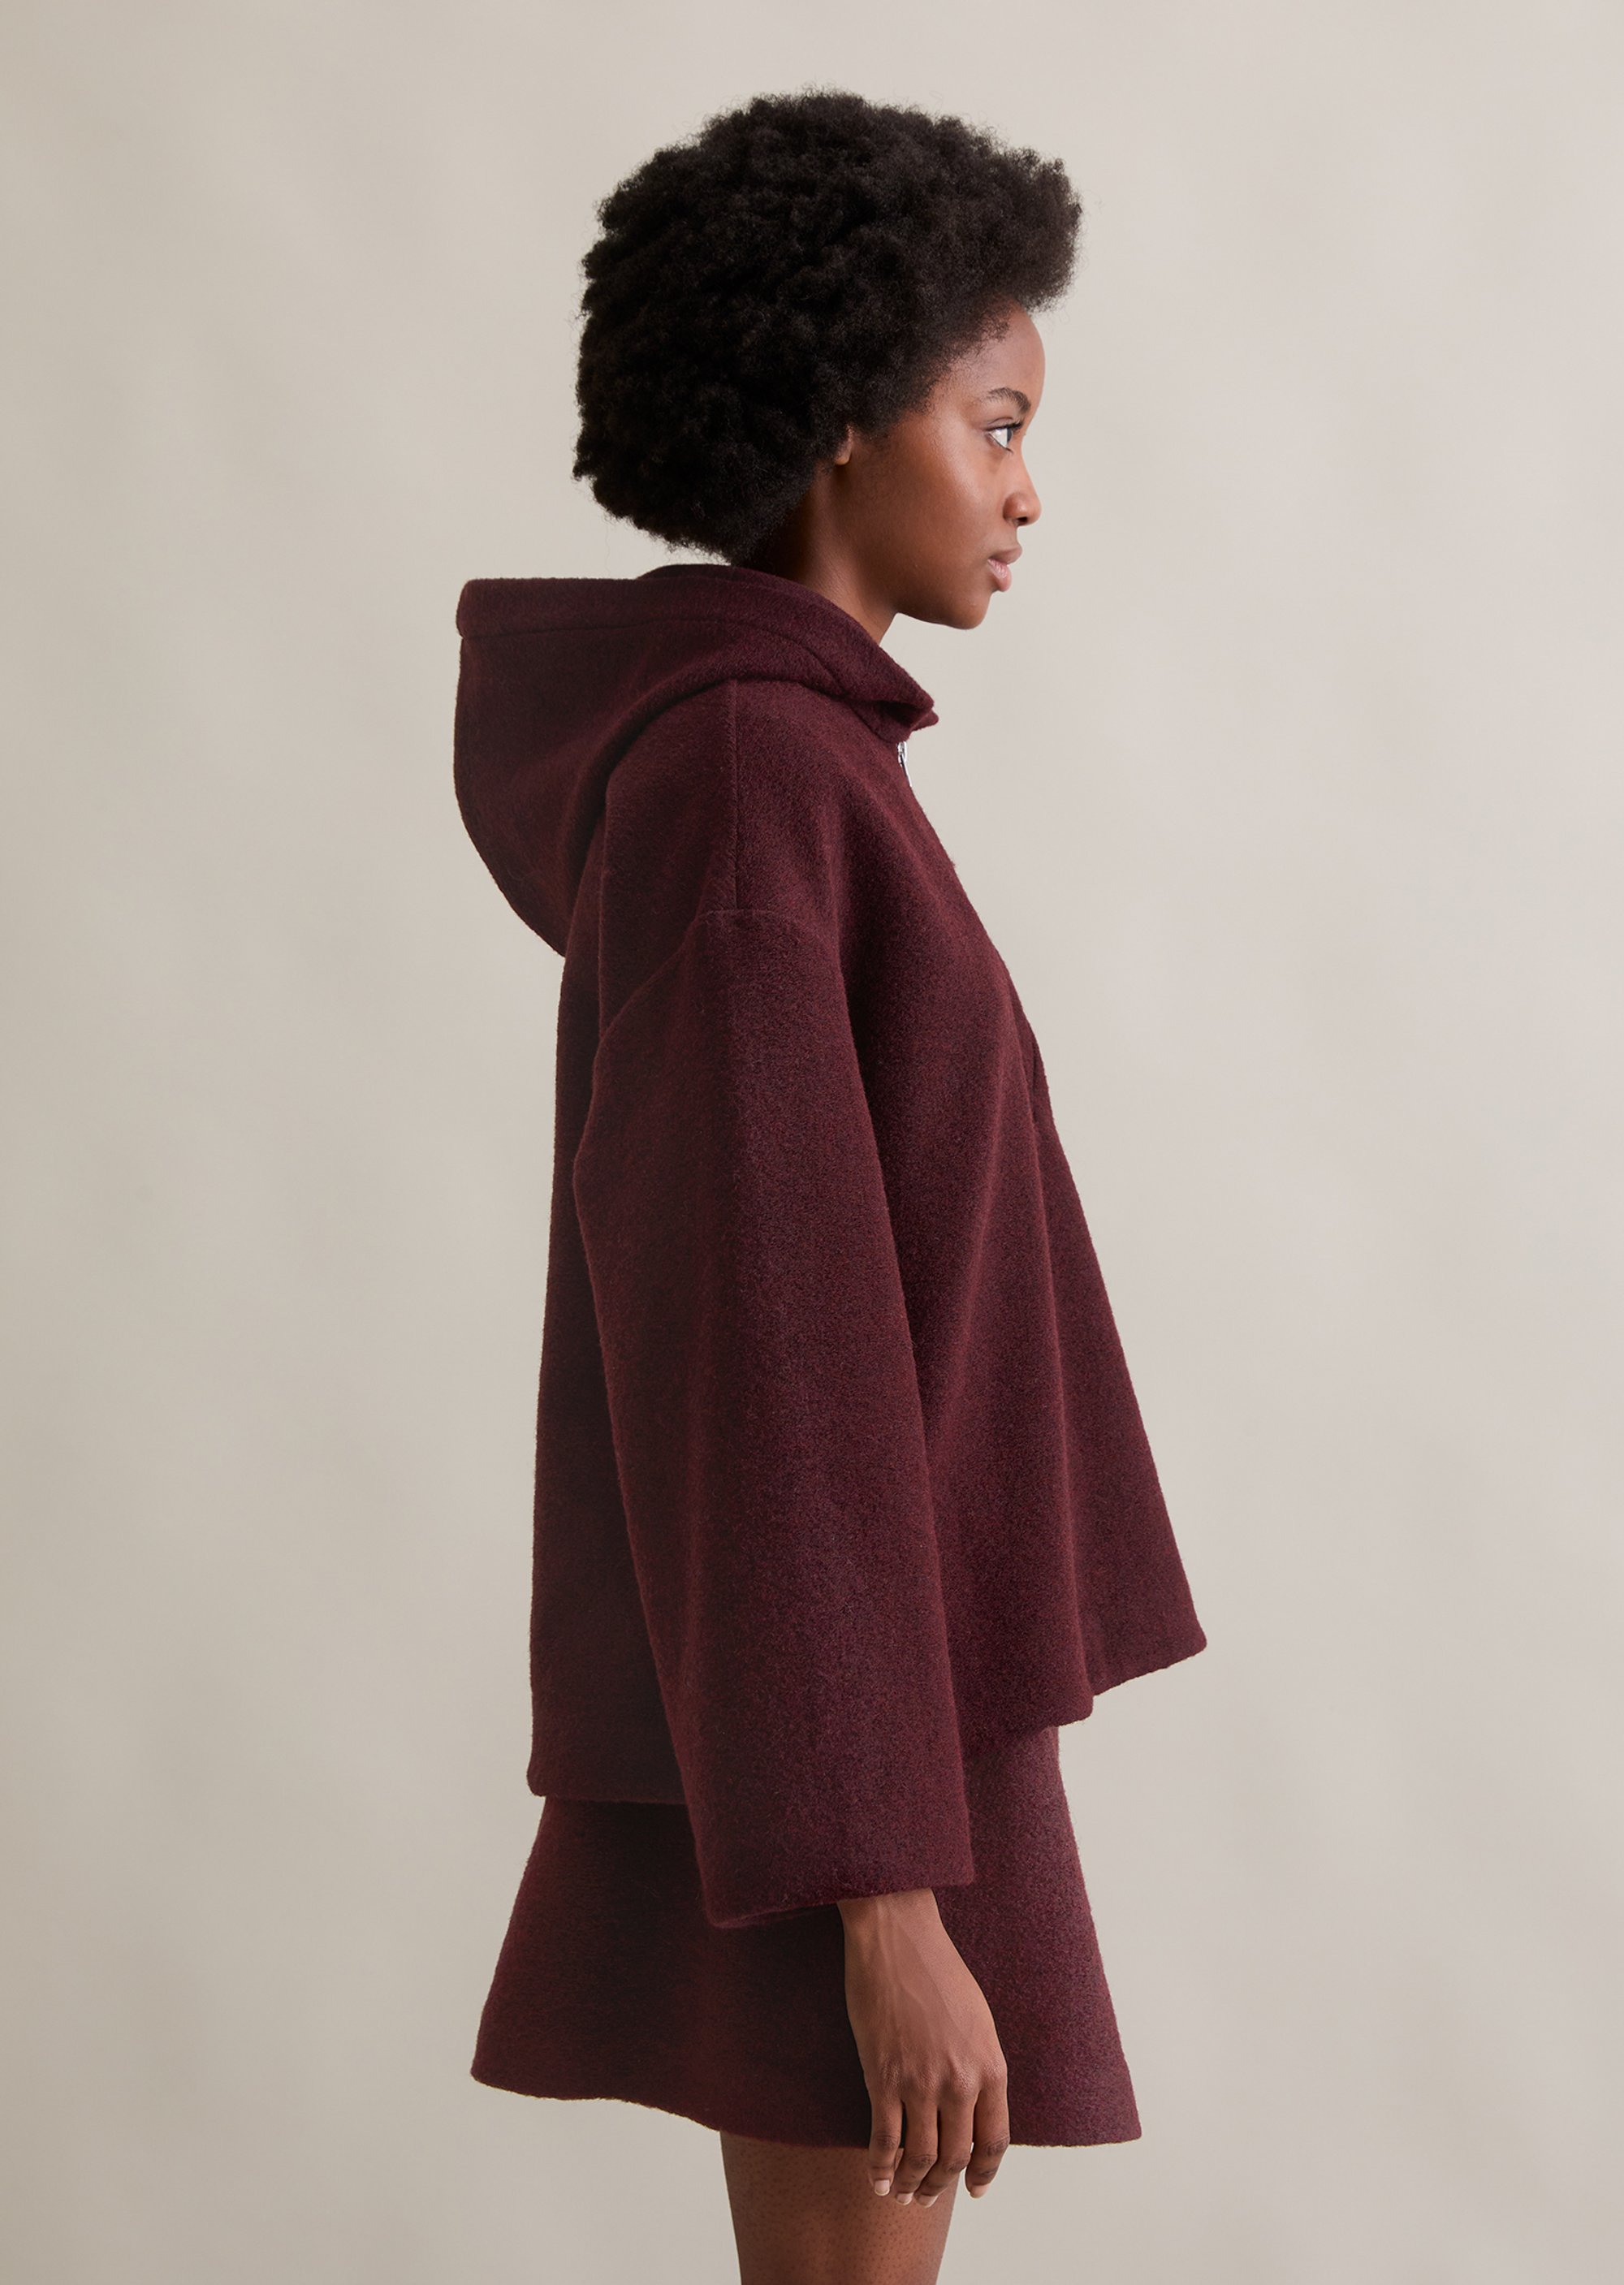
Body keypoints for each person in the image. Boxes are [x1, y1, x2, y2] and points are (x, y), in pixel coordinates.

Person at [451, 88, 1207, 2285]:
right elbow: (764, 1353)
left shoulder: (791, 761)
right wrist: (887, 1898)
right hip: (838, 1770)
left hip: (867, 1728)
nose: (1029, 487)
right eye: (996, 424)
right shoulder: (746, 777)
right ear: (841, 428)